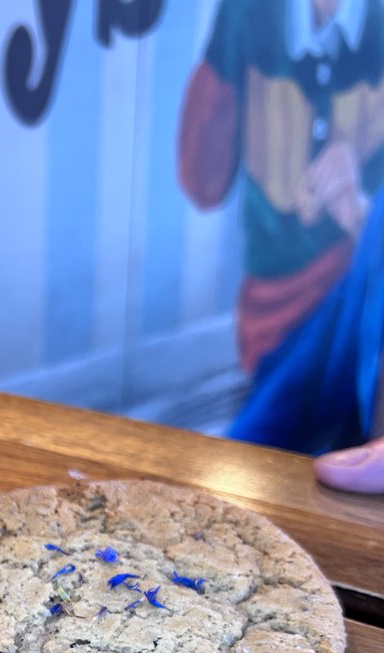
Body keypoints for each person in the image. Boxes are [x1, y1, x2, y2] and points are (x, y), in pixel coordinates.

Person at [179, 0, 384, 454]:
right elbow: (202, 180)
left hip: (360, 315)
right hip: (273, 315)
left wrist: (358, 204)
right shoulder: (249, 14)